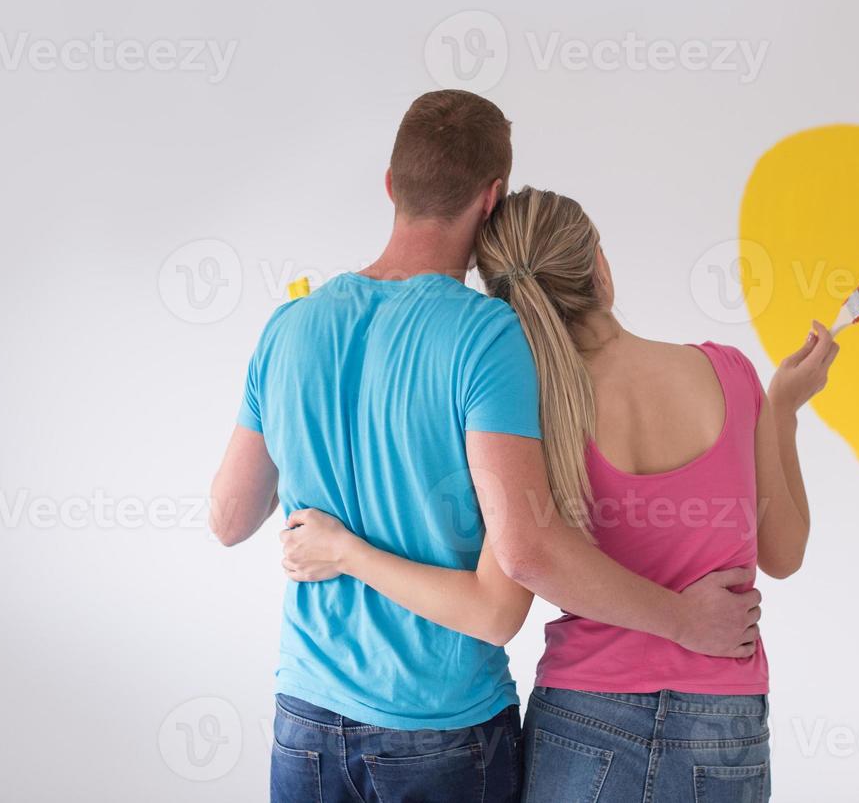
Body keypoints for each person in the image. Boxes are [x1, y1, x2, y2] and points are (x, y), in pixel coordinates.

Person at [208, 93, 763, 803]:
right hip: (441, 733)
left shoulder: (289, 326)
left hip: (306, 720)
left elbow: (228, 519)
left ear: (390, 184)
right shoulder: (488, 337)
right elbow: (503, 602)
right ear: (491, 198)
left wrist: (335, 529)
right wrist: (685, 619)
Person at [282, 186, 836, 802]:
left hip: (582, 717)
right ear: (598, 263)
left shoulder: (529, 409)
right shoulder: (732, 373)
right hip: (722, 722)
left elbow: (515, 571)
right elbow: (784, 554)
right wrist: (781, 409)